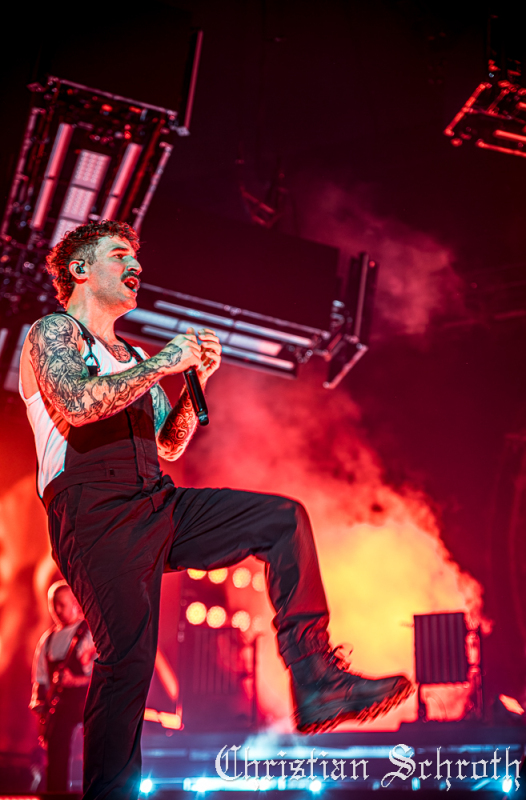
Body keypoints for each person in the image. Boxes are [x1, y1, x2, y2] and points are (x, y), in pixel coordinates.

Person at [19, 220, 413, 799]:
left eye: (135, 257)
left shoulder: (130, 354)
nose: (135, 266)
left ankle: (316, 679)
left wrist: (191, 383)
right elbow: (78, 403)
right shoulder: (54, 332)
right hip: (93, 511)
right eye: (119, 255)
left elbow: (169, 443)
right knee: (128, 662)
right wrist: (162, 365)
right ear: (80, 269)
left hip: (155, 499)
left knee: (282, 520)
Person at [30, 580, 95, 791]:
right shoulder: (48, 639)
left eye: (62, 604)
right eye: (53, 605)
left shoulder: (89, 633)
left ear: (75, 603)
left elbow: (103, 675)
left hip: (86, 705)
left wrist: (75, 681)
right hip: (59, 708)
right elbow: (40, 676)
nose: (57, 610)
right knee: (56, 754)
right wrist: (40, 703)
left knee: (91, 751)